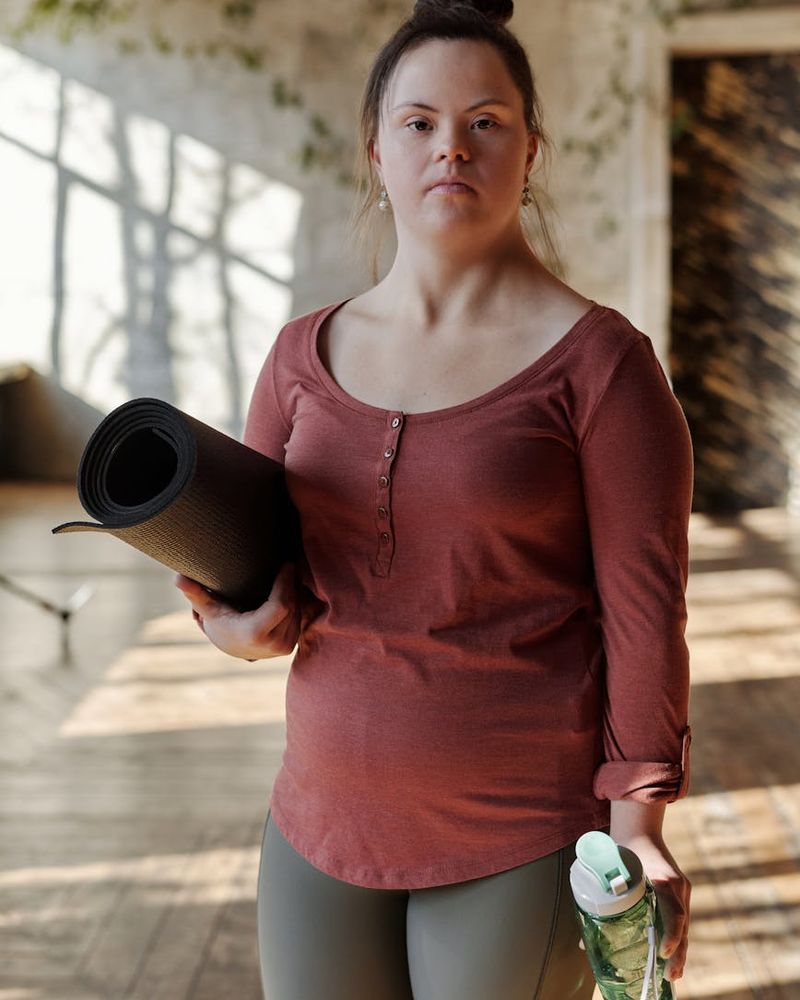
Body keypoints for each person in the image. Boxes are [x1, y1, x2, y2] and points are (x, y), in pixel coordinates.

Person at [174, 1, 695, 997]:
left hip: (520, 834)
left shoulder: (603, 368)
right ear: (377, 150)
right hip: (316, 824)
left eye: (484, 122)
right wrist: (234, 630)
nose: (449, 147)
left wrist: (638, 827)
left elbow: (645, 616)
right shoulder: (297, 357)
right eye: (418, 122)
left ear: (529, 151)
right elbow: (249, 571)